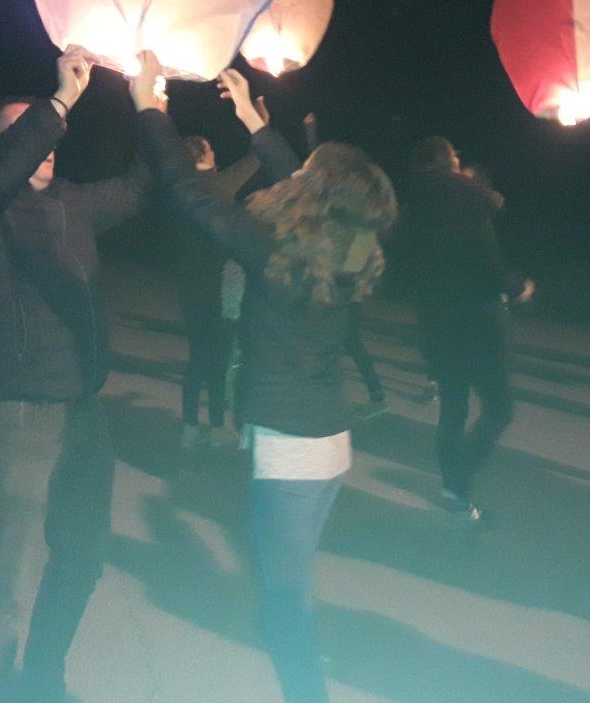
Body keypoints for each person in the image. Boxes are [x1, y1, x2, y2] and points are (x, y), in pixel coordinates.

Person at [130, 57, 396, 703]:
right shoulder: (345, 242)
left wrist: (150, 111)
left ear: (319, 194)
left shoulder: (275, 251)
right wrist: (251, 117)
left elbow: (191, 194)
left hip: (291, 450)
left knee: (284, 597)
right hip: (329, 444)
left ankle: (305, 687)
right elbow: (300, 181)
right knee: (286, 584)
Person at [0, 46, 150, 703]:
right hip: (12, 411)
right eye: (28, 133)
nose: (48, 146)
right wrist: (57, 103)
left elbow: (142, 187)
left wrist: (150, 105)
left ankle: (43, 674)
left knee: (81, 557)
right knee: (5, 576)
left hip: (81, 409)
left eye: (52, 135)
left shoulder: (74, 204)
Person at [398, 136, 533, 521]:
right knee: (499, 408)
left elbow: (406, 262)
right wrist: (515, 285)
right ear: (446, 161)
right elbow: (487, 265)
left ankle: (451, 487)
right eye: (455, 155)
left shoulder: (414, 207)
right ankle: (457, 480)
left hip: (435, 321)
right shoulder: (468, 201)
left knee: (453, 408)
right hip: (477, 322)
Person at [170, 135, 259, 450]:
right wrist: (258, 120)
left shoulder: (181, 189)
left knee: (197, 359)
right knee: (219, 361)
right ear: (203, 157)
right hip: (217, 287)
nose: (215, 150)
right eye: (210, 147)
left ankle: (190, 427)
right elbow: (254, 159)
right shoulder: (217, 186)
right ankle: (218, 427)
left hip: (189, 288)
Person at [302, 112, 387, 414]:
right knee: (338, 339)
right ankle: (365, 393)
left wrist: (345, 281)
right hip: (332, 278)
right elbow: (316, 168)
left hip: (343, 283)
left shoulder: (358, 201)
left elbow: (361, 247)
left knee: (346, 339)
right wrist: (311, 133)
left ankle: (374, 393)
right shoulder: (335, 194)